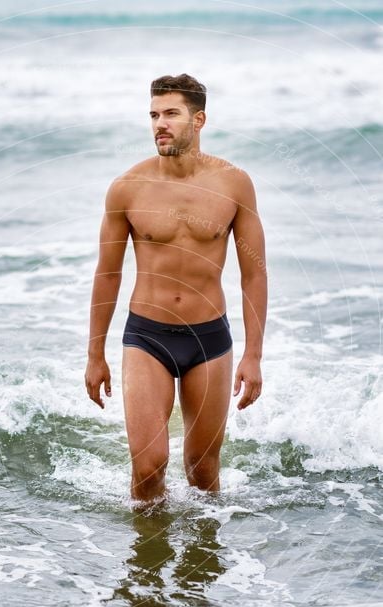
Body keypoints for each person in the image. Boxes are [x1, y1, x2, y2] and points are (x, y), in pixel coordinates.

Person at [84, 73, 267, 506]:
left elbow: (254, 273)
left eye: (170, 114)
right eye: (153, 115)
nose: (159, 124)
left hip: (209, 338)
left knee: (203, 470)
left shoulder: (233, 184)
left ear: (198, 119)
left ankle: (203, 565)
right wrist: (95, 354)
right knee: (148, 467)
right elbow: (107, 274)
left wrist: (253, 355)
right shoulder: (128, 188)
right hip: (148, 335)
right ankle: (145, 562)